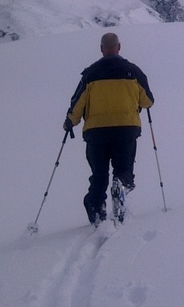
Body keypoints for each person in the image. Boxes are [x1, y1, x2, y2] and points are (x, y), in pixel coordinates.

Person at [64, 32, 154, 225]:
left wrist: (70, 121)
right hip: (126, 129)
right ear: (119, 47)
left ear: (101, 49)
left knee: (99, 173)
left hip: (97, 132)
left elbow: (77, 102)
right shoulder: (133, 71)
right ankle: (121, 185)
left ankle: (96, 208)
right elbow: (148, 101)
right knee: (124, 169)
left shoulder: (90, 74)